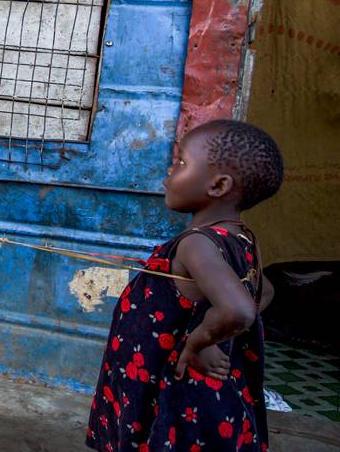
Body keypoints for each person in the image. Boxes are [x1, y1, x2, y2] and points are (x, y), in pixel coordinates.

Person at [86, 120, 284, 452]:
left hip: (171, 381)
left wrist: (200, 342)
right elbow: (264, 291)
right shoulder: (242, 237)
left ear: (218, 185)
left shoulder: (197, 245)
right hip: (180, 383)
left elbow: (238, 309)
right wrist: (217, 331)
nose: (170, 169)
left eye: (181, 162)